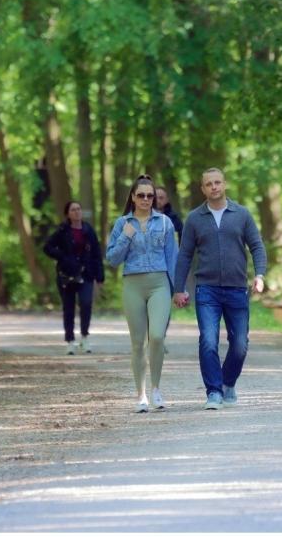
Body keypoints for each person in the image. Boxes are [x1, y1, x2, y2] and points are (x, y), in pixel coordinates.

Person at [173, 168, 267, 410]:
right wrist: (179, 287)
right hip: (207, 290)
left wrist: (259, 275)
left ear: (224, 185)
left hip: (237, 289)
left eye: (217, 182)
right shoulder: (195, 218)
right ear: (203, 189)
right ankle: (214, 392)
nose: (214, 187)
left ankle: (228, 382)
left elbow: (256, 246)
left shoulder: (241, 214)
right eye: (208, 184)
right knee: (208, 340)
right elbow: (184, 255)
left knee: (240, 344)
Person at [106, 175, 178, 413]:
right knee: (138, 343)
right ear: (133, 197)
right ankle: (141, 395)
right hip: (132, 285)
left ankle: (156, 389)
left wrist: (179, 289)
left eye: (150, 196)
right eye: (141, 195)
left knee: (157, 336)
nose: (146, 199)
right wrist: (126, 236)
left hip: (159, 284)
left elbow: (173, 258)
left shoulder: (165, 223)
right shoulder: (121, 223)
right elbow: (113, 259)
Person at [44, 201, 105, 355]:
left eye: (79, 209)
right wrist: (62, 257)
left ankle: (84, 337)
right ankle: (70, 340)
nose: (77, 212)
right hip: (67, 274)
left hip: (86, 273)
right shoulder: (62, 230)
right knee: (68, 307)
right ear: (68, 213)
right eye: (73, 210)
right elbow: (47, 247)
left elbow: (96, 253)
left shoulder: (88, 229)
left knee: (86, 303)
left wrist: (100, 276)